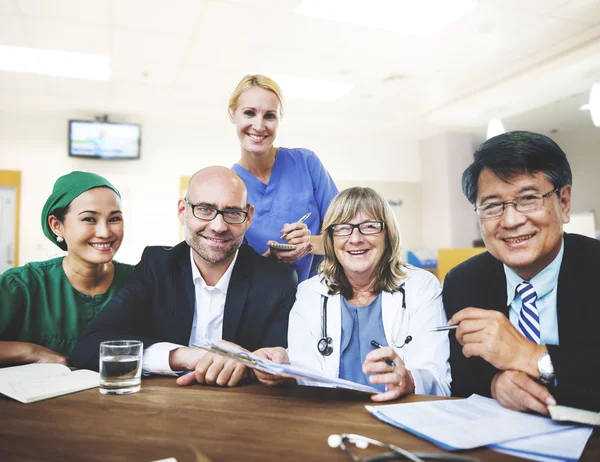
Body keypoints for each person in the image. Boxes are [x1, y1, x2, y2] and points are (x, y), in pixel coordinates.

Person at [71, 166, 297, 388]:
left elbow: (283, 363)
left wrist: (262, 362)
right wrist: (185, 356)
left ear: (248, 217)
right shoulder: (156, 265)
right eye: (205, 210)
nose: (218, 226)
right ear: (182, 211)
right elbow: (90, 347)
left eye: (233, 213)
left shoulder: (277, 281)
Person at [444, 130, 600, 414]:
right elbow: (460, 376)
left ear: (564, 203)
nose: (512, 220)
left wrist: (532, 357)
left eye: (528, 198)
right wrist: (495, 383)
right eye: (492, 206)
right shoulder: (462, 282)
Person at [255, 187, 451, 402]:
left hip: (401, 416)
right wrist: (285, 364)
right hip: (330, 419)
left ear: (388, 234)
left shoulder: (421, 287)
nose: (355, 239)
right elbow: (305, 373)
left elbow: (439, 381)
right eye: (342, 228)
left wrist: (410, 381)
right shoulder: (309, 292)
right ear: (330, 238)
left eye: (369, 227)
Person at [0, 171, 133, 367]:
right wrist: (32, 352)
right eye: (89, 219)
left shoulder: (140, 281)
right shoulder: (22, 285)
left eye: (114, 219)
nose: (105, 232)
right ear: (57, 225)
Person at [229, 74, 338, 282]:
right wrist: (269, 259)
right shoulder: (230, 187)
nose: (259, 126)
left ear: (279, 120)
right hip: (263, 304)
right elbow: (233, 270)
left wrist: (309, 243)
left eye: (269, 116)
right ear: (232, 114)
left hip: (318, 297)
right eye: (249, 113)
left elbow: (346, 235)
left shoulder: (306, 163)